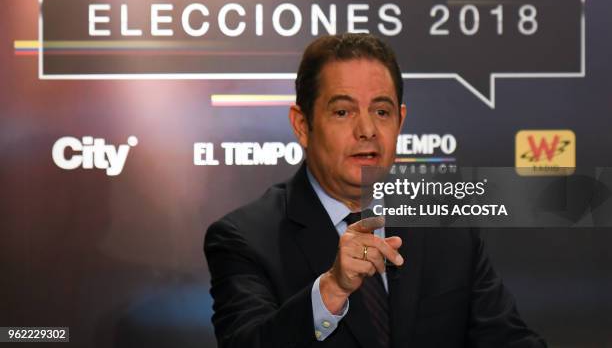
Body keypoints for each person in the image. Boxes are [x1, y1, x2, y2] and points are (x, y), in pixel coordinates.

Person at [204, 33, 546, 348]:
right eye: (342, 111)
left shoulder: (447, 228)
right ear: (302, 125)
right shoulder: (245, 239)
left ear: (400, 120)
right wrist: (331, 290)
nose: (366, 129)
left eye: (381, 112)